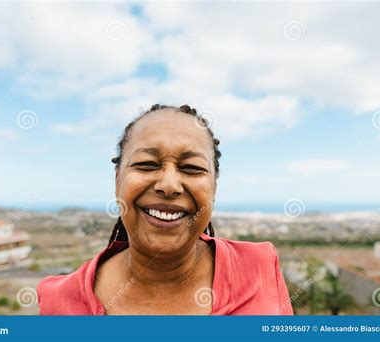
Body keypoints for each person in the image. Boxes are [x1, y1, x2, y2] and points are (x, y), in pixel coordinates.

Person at [37, 104, 294, 315]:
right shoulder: (57, 300)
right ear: (117, 182)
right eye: (147, 164)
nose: (169, 186)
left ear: (214, 188)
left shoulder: (260, 265)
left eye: (192, 168)